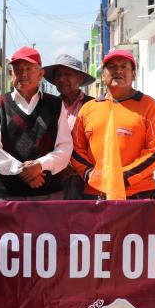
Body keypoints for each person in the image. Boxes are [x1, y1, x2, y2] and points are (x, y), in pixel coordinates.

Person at [71, 50, 155, 199]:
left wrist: (123, 176)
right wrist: (91, 173)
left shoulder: (148, 105)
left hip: (137, 193)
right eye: (112, 67)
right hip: (95, 193)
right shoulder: (88, 108)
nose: (118, 71)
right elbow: (75, 149)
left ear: (134, 74)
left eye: (124, 66)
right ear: (103, 75)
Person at [0, 47, 73, 200]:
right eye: (18, 69)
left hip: (48, 193)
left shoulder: (56, 105)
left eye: (28, 69)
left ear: (40, 74)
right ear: (11, 74)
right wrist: (24, 170)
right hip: (7, 194)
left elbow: (65, 147)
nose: (23, 74)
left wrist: (39, 165)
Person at [43, 53, 95, 199]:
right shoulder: (48, 106)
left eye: (67, 74)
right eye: (58, 75)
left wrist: (78, 166)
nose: (61, 79)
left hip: (86, 176)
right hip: (55, 177)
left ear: (80, 78)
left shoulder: (93, 106)